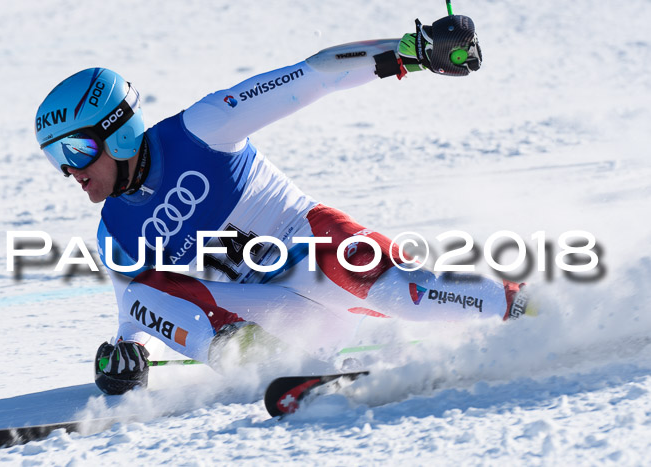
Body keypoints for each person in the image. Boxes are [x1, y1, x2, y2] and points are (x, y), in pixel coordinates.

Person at [34, 14, 532, 395]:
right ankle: (267, 363)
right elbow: (140, 313)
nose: (70, 172)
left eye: (75, 150)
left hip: (322, 257)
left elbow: (313, 76)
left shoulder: (203, 129)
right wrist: (125, 357)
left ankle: (526, 305)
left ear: (118, 132)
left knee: (392, 289)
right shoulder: (114, 231)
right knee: (141, 291)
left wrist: (415, 51)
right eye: (56, 158)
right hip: (279, 320)